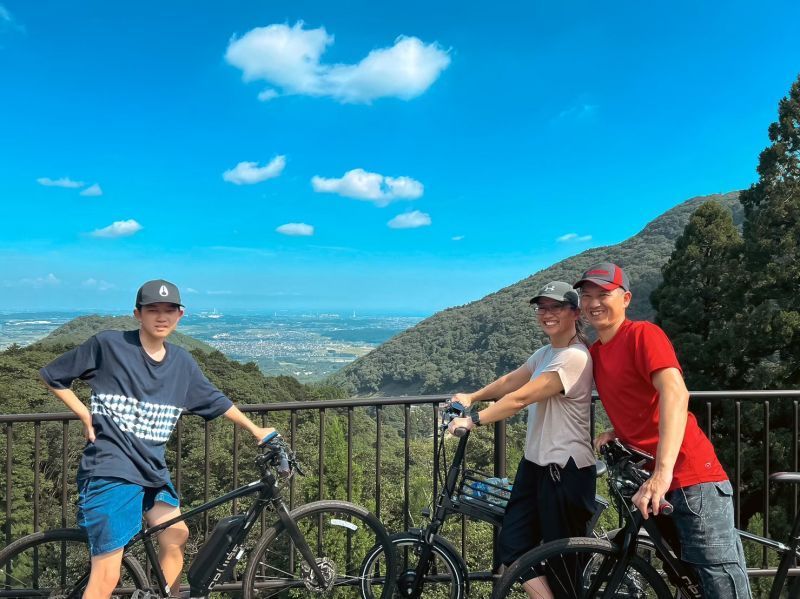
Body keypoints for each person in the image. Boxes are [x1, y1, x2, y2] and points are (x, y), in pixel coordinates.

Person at [40, 279, 275, 599]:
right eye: (153, 309)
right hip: (111, 471)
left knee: (175, 534)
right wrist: (84, 413)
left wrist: (255, 429)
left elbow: (216, 400)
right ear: (138, 314)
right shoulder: (109, 346)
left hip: (152, 470)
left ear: (180, 314)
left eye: (169, 310)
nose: (161, 316)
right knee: (107, 575)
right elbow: (53, 375)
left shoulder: (182, 363)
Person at [574, 262, 751, 598]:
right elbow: (640, 397)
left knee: (719, 581)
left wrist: (663, 473)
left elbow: (675, 393)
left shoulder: (643, 334)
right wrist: (618, 431)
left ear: (626, 299)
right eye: (586, 295)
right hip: (653, 481)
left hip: (690, 476)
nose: (593, 302)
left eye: (603, 294)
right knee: (690, 581)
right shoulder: (597, 352)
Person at [447, 281, 596, 599]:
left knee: (562, 568)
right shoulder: (546, 353)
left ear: (575, 313)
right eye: (542, 307)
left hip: (564, 470)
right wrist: (472, 396)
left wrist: (472, 420)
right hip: (536, 465)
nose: (547, 313)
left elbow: (520, 398)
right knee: (513, 545)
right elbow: (510, 381)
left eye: (556, 307)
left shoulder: (574, 357)